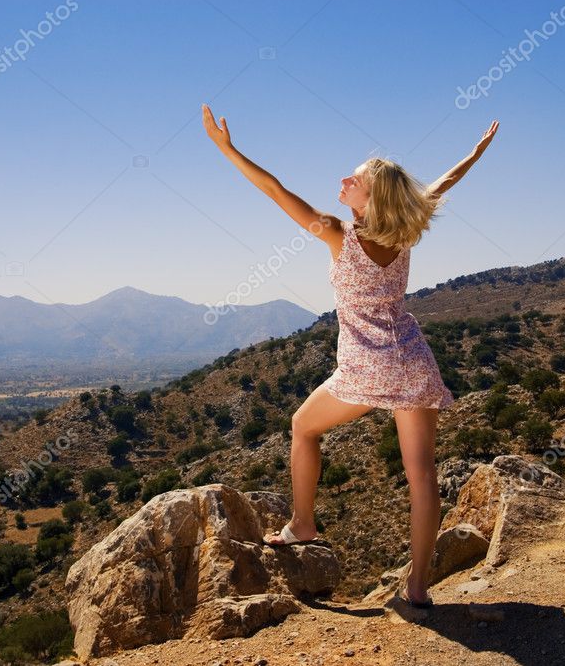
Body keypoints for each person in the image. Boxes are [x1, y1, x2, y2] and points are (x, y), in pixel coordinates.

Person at [201, 104, 498, 609]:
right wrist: (473, 154)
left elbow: (275, 191)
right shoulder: (404, 230)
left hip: (367, 367)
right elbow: (439, 187)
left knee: (302, 426)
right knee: (422, 474)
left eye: (354, 179)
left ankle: (302, 522)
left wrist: (228, 149)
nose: (344, 180)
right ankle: (419, 586)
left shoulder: (341, 235)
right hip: (414, 361)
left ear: (372, 196)